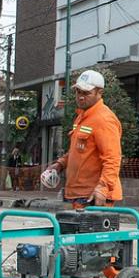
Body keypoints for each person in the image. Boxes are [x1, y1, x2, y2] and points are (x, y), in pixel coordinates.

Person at [46, 70, 122, 208]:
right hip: (79, 194)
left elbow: (112, 159)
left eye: (86, 93)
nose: (80, 97)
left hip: (93, 196)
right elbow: (78, 150)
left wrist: (102, 188)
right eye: (78, 92)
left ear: (100, 93)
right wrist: (60, 164)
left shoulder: (104, 119)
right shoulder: (82, 118)